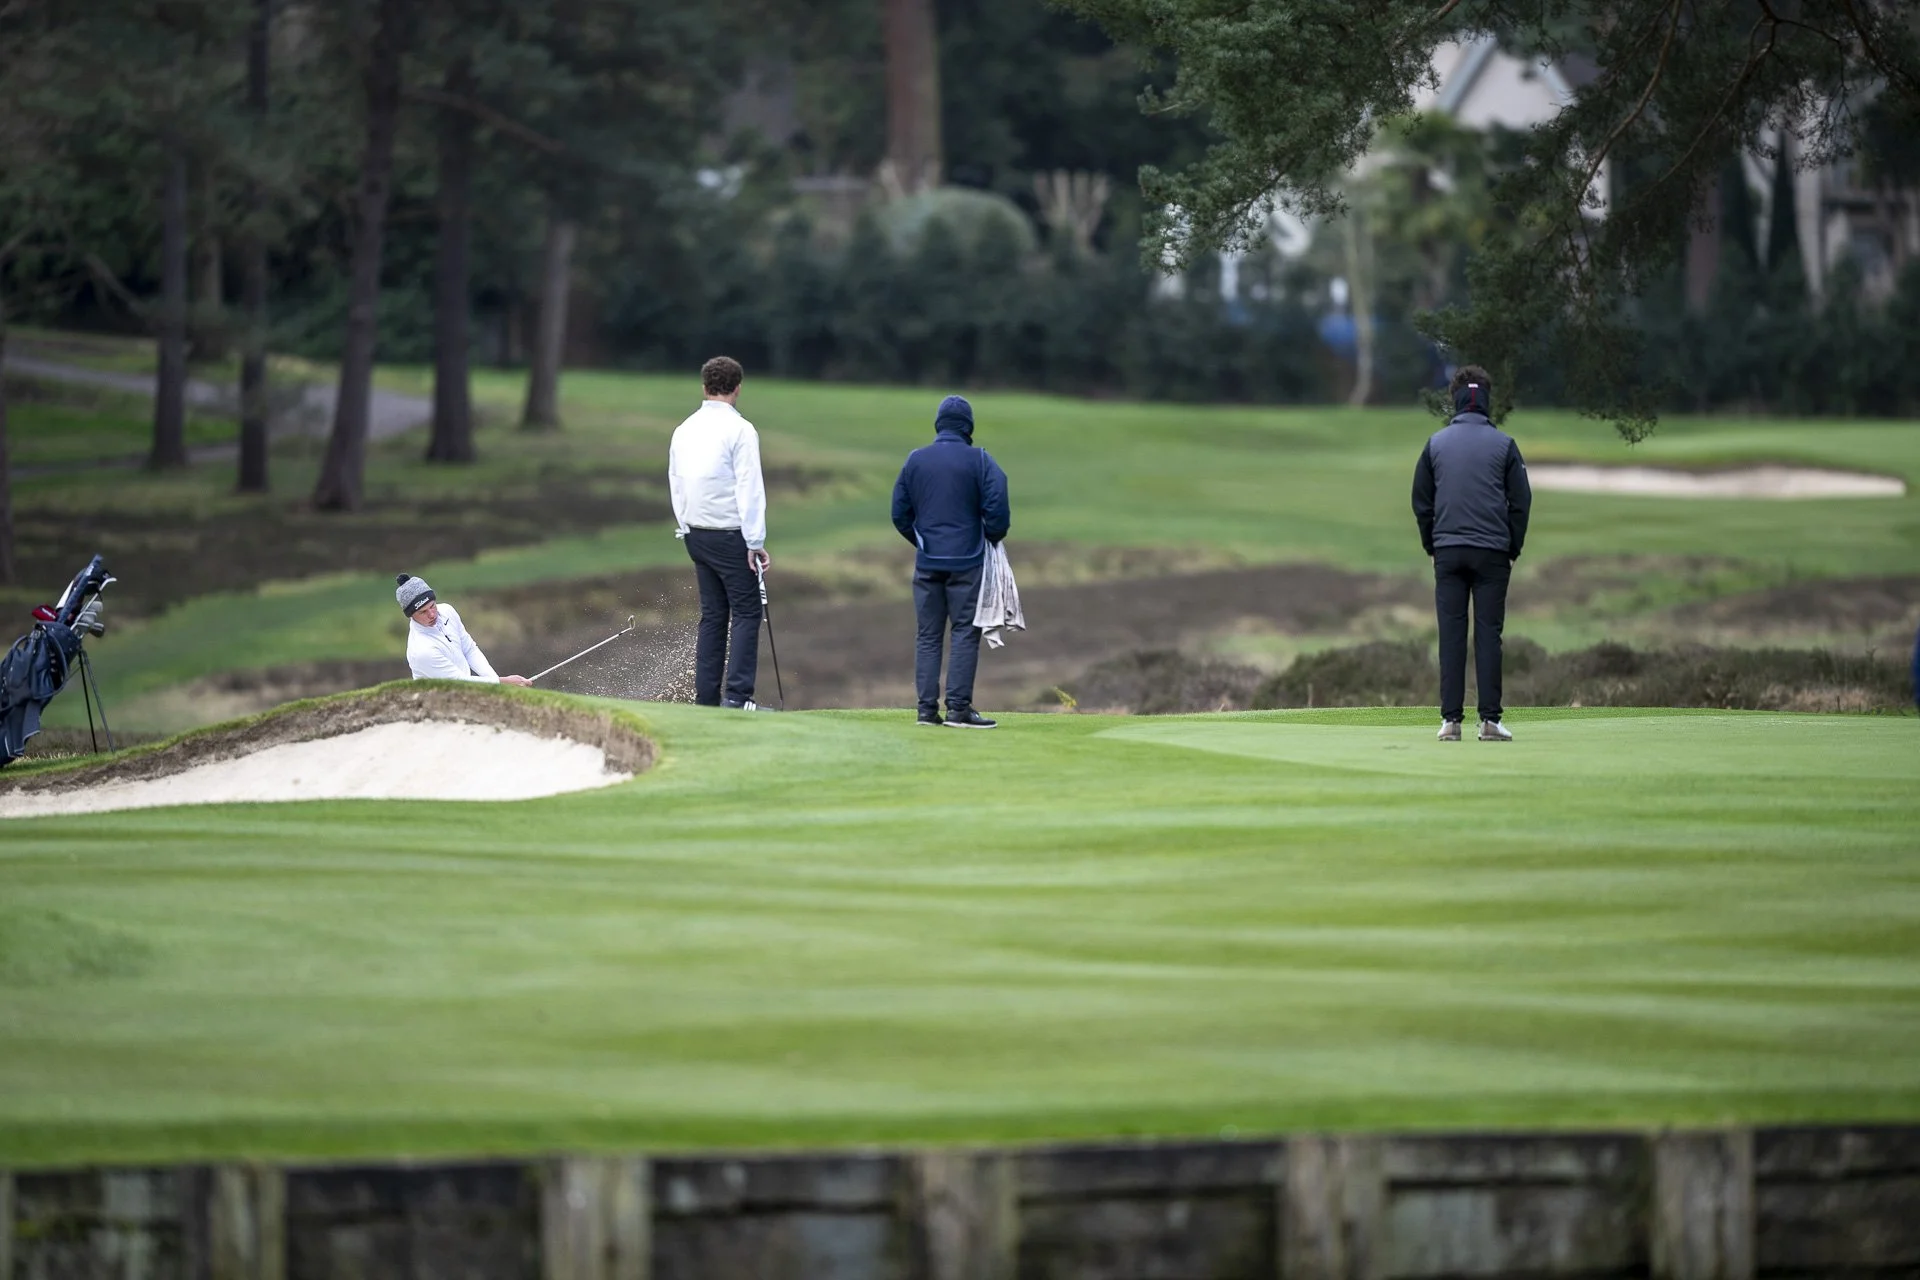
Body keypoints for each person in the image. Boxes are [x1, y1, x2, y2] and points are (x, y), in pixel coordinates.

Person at [1412, 365, 1532, 742]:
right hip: (1493, 553)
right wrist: (1513, 547)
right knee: (1487, 636)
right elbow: (1521, 502)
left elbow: (1421, 501)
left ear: (1455, 399)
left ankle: (1451, 723)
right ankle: (1490, 722)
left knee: (1451, 635)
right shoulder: (1506, 445)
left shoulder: (1435, 444)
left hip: (1448, 552)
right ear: (1487, 402)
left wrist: (1431, 545)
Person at [891, 394, 1011, 728]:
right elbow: (998, 509)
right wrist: (991, 535)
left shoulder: (915, 460)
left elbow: (899, 513)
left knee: (928, 636)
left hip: (927, 562)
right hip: (968, 562)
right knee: (963, 633)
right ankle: (958, 709)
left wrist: (921, 541)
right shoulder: (982, 460)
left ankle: (926, 711)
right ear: (968, 426)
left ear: (939, 424)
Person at [669, 355, 770, 710]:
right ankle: (738, 697)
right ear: (737, 388)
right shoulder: (741, 430)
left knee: (713, 616)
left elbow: (675, 481)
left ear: (704, 387)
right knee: (746, 612)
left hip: (696, 533)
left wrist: (685, 527)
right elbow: (750, 488)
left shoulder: (684, 429)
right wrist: (755, 542)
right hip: (730, 535)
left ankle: (707, 700)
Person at [396, 574, 531, 685]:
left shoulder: (447, 611)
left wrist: (495, 681)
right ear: (411, 616)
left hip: (464, 694)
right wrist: (502, 683)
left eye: (432, 606)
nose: (431, 614)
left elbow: (469, 649)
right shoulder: (422, 652)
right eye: (423, 612)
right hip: (439, 706)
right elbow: (459, 682)